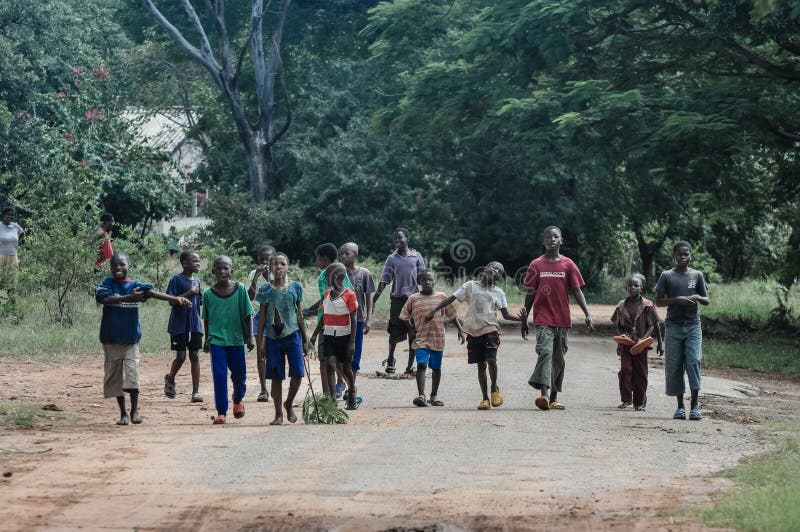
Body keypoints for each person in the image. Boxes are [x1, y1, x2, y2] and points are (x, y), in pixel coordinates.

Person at [95, 253, 191, 425]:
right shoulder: (107, 284)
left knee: (132, 375)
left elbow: (152, 293)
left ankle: (134, 411)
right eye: (114, 265)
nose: (118, 267)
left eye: (122, 264)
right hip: (111, 339)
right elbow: (105, 299)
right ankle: (123, 413)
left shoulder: (136, 285)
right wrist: (129, 298)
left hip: (131, 339)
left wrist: (175, 299)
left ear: (129, 266)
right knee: (115, 377)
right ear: (110, 268)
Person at [426, 261, 522, 410]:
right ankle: (484, 399)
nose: (496, 271)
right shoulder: (470, 286)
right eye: (494, 268)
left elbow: (506, 314)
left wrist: (521, 319)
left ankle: (494, 388)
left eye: (500, 271)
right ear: (485, 268)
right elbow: (451, 299)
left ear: (499, 278)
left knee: (491, 359)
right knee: (481, 365)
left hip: (490, 328)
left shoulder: (498, 292)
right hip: (473, 330)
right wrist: (433, 310)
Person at [520, 226, 594, 411]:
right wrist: (524, 318)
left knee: (558, 358)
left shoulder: (568, 264)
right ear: (543, 241)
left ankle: (553, 397)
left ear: (561, 240)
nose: (551, 239)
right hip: (543, 317)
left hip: (562, 319)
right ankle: (543, 396)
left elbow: (577, 290)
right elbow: (530, 293)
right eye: (547, 237)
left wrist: (587, 314)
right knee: (545, 352)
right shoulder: (535, 265)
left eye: (555, 236)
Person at [655, 241, 710, 421]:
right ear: (674, 256)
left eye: (686, 254)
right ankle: (680, 407)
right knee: (675, 365)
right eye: (680, 254)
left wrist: (696, 297)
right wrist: (676, 299)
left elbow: (706, 300)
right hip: (673, 325)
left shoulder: (697, 275)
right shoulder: (666, 275)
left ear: (690, 256)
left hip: (693, 324)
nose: (683, 257)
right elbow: (659, 301)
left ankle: (694, 407)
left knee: (693, 361)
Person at [255, 253, 309, 425]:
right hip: (272, 338)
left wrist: (305, 339)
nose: (278, 266)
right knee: (276, 376)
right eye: (275, 264)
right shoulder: (265, 289)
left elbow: (299, 314)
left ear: (288, 267)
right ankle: (278, 413)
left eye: (282, 263)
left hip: (293, 335)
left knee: (298, 373)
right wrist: (261, 341)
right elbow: (262, 316)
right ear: (270, 268)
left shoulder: (296, 287)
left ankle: (289, 403)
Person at [202, 256, 256, 425]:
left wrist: (250, 336)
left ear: (231, 270)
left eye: (226, 268)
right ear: (213, 271)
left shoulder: (240, 289)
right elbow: (207, 318)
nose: (222, 272)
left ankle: (238, 399)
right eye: (219, 268)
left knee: (239, 376)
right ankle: (221, 411)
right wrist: (206, 339)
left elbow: (248, 314)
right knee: (219, 375)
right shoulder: (208, 293)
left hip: (236, 340)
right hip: (217, 341)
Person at [400, 269, 464, 407]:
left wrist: (460, 329)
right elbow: (404, 315)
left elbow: (452, 315)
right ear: (419, 282)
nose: (427, 282)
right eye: (424, 280)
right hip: (421, 338)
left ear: (435, 281)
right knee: (421, 365)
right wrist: (411, 330)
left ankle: (433, 396)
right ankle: (421, 396)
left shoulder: (441, 297)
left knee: (436, 367)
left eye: (430, 279)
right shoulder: (413, 298)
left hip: (437, 337)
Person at [373, 228, 426, 375]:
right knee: (394, 332)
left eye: (400, 238)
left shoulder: (416, 256)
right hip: (397, 300)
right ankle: (391, 360)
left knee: (413, 333)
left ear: (407, 238)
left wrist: (427, 298)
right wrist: (374, 299)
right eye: (395, 239)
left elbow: (423, 278)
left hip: (413, 301)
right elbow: (385, 279)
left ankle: (410, 366)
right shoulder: (392, 258)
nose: (397, 241)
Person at [305, 243, 354, 398]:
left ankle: (330, 394)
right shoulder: (339, 272)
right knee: (332, 361)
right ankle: (333, 392)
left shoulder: (330, 274)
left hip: (331, 325)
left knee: (326, 361)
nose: (316, 262)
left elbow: (339, 299)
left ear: (325, 258)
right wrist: (309, 311)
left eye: (317, 258)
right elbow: (324, 299)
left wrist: (311, 313)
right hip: (331, 324)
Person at [309, 263, 359, 410]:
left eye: (328, 276)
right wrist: (314, 334)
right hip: (329, 335)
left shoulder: (350, 294)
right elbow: (324, 316)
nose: (325, 278)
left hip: (344, 336)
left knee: (345, 369)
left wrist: (351, 343)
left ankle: (351, 391)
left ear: (337, 277)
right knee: (330, 365)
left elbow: (354, 318)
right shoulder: (327, 294)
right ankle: (332, 402)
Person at [611, 273, 663, 411]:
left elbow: (654, 324)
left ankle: (639, 401)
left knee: (641, 372)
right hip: (626, 344)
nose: (632, 288)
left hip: (642, 345)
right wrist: (620, 340)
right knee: (626, 370)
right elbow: (619, 325)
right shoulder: (621, 306)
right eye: (630, 285)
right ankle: (626, 399)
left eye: (636, 285)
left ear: (642, 288)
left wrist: (657, 342)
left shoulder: (647, 305)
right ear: (626, 287)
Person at [163, 251, 204, 403]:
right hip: (179, 325)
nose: (198, 264)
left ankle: (196, 392)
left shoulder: (197, 281)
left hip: (195, 325)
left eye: (199, 261)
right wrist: (189, 293)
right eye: (195, 261)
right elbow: (171, 300)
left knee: (195, 356)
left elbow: (199, 300)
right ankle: (170, 378)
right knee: (181, 357)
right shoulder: (176, 279)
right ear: (185, 263)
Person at [339, 242, 375, 403]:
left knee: (353, 354)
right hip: (340, 320)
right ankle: (343, 383)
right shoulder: (338, 273)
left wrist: (369, 319)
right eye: (341, 253)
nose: (343, 256)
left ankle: (350, 387)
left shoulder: (364, 273)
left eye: (346, 253)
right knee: (340, 354)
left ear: (355, 255)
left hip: (358, 320)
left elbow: (368, 296)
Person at [247, 245, 276, 402]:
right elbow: (250, 297)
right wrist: (256, 277)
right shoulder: (254, 273)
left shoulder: (279, 272)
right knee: (261, 352)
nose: (265, 263)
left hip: (274, 316)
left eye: (268, 259)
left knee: (274, 352)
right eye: (262, 260)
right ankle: (263, 388)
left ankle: (274, 386)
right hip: (259, 316)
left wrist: (266, 277)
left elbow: (276, 293)